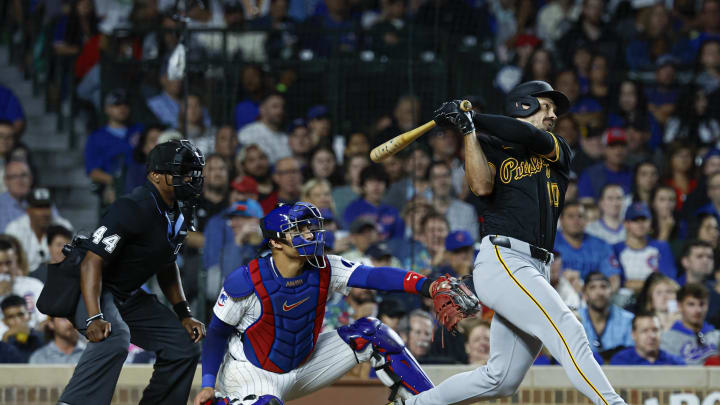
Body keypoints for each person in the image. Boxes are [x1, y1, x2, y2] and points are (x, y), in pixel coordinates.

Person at [407, 81, 627, 405]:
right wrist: (468, 132)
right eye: (547, 106)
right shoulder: (492, 146)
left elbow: (528, 136)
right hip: (504, 259)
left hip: (535, 267)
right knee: (569, 327)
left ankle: (412, 404)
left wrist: (473, 119)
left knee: (501, 379)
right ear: (524, 105)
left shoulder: (558, 148)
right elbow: (481, 187)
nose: (553, 114)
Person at [193, 202, 437, 405]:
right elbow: (216, 334)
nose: (309, 234)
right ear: (275, 242)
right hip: (253, 372)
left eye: (309, 228)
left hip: (305, 362)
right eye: (298, 230)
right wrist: (207, 384)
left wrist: (428, 286)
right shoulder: (247, 280)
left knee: (373, 333)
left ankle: (431, 401)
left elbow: (373, 276)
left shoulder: (326, 266)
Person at [56, 140, 207, 404]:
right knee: (114, 337)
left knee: (183, 346)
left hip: (127, 295)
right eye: (180, 171)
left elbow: (167, 263)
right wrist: (94, 317)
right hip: (90, 287)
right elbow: (92, 262)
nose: (188, 177)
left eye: (191, 171)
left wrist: (184, 314)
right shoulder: (133, 206)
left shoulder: (178, 212)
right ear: (155, 175)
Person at [84, 89, 143, 208]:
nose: (122, 108)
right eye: (117, 104)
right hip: (115, 189)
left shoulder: (140, 130)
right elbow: (93, 171)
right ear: (107, 109)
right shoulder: (97, 137)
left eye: (125, 104)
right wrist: (116, 182)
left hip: (141, 185)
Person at [554, 201, 622, 290]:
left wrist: (602, 296)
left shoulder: (601, 246)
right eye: (571, 216)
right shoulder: (551, 244)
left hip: (593, 299)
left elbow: (614, 278)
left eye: (580, 216)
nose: (576, 221)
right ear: (561, 220)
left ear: (586, 221)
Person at [612, 203, 678, 292]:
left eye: (644, 220)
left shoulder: (661, 247)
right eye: (635, 220)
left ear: (650, 222)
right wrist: (651, 284)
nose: (640, 224)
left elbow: (667, 280)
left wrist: (631, 284)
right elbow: (619, 282)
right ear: (626, 224)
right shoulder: (616, 249)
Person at [5, 187, 73, 272]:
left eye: (47, 206)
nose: (44, 213)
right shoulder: (14, 229)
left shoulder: (63, 226)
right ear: (28, 210)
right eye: (39, 207)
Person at [660, 283, 720, 365]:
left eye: (702, 304)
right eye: (691, 304)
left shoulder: (717, 337)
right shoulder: (666, 339)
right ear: (679, 306)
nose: (698, 310)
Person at [579, 272, 634, 358]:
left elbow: (630, 354)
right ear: (585, 294)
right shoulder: (575, 319)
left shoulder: (628, 320)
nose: (599, 292)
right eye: (592, 287)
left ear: (611, 291)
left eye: (603, 287)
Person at [343, 165, 404, 241]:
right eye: (371, 181)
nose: (376, 186)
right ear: (363, 185)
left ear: (386, 186)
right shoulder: (352, 209)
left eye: (380, 181)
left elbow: (399, 240)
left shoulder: (393, 211)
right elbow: (348, 236)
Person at [429, 161, 479, 241]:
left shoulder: (467, 211)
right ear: (430, 182)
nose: (442, 181)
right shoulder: (423, 209)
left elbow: (474, 243)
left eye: (445, 176)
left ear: (451, 179)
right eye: (436, 177)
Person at [609, 312, 685, 365]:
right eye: (644, 331)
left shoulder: (675, 362)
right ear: (633, 335)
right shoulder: (621, 361)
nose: (652, 336)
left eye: (655, 330)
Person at [237, 93, 291, 164]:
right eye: (275, 107)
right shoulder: (247, 133)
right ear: (262, 109)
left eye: (282, 107)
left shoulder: (286, 138)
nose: (280, 111)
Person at [1, 294, 44, 361]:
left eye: (20, 314)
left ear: (29, 316)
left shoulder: (43, 338)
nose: (17, 321)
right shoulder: (4, 341)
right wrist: (5, 338)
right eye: (11, 317)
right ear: (5, 321)